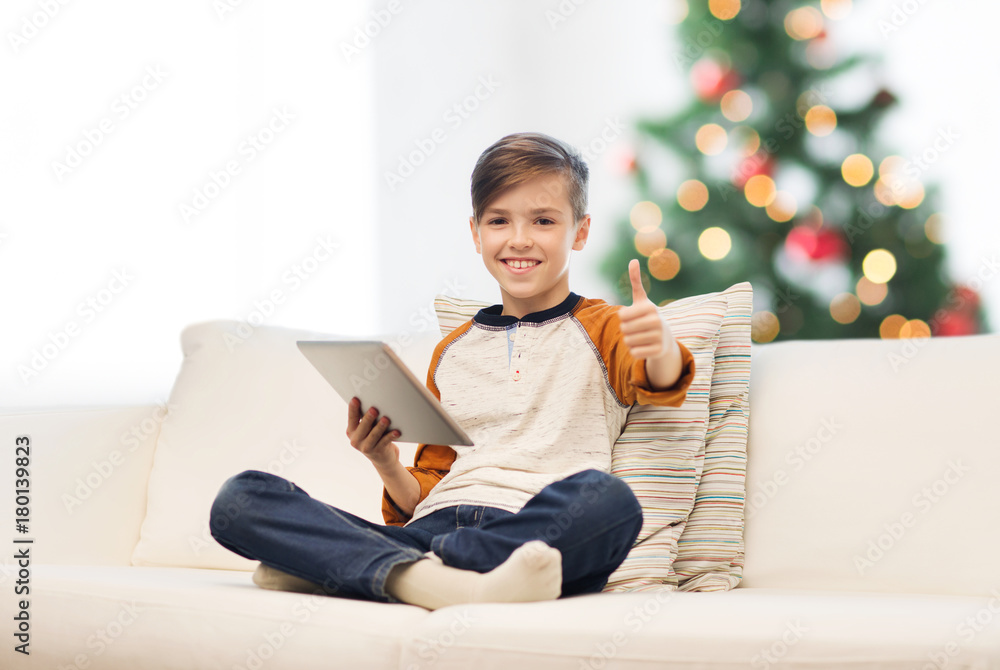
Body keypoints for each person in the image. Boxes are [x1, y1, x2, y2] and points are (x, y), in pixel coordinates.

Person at [209, 132, 696, 610]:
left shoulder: (605, 327)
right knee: (243, 498)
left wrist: (662, 344)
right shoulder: (453, 350)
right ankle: (438, 579)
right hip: (434, 527)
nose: (519, 239)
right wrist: (385, 461)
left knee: (610, 501)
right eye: (499, 221)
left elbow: (662, 379)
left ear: (580, 231)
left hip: (531, 531)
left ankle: (367, 569)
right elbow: (431, 481)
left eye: (543, 220)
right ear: (475, 233)